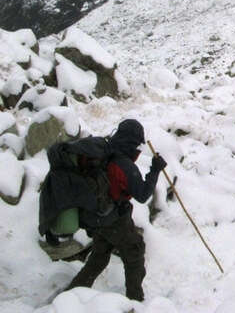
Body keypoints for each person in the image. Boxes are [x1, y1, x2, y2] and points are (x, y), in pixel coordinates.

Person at [65, 119, 167, 301]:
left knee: (99, 256)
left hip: (96, 216)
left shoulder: (103, 152)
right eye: (137, 143)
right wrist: (155, 170)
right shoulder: (124, 165)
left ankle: (72, 294)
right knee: (134, 252)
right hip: (113, 219)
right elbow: (143, 195)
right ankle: (135, 300)